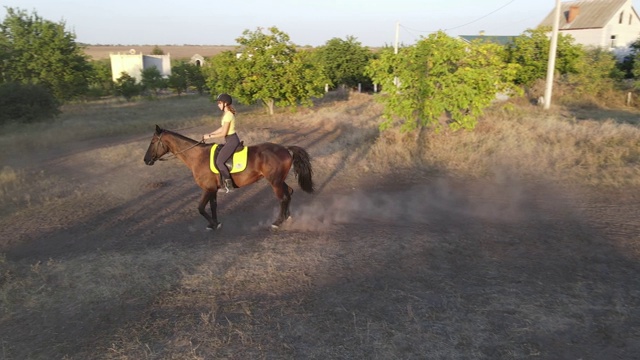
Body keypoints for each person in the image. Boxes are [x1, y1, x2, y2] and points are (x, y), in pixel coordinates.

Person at [203, 93, 240, 193]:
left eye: (219, 103)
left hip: (232, 141)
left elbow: (224, 133)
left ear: (225, 103)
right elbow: (222, 128)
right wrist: (210, 133)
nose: (218, 105)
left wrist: (210, 137)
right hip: (230, 140)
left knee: (219, 161)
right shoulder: (226, 114)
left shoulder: (228, 115)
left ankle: (229, 184)